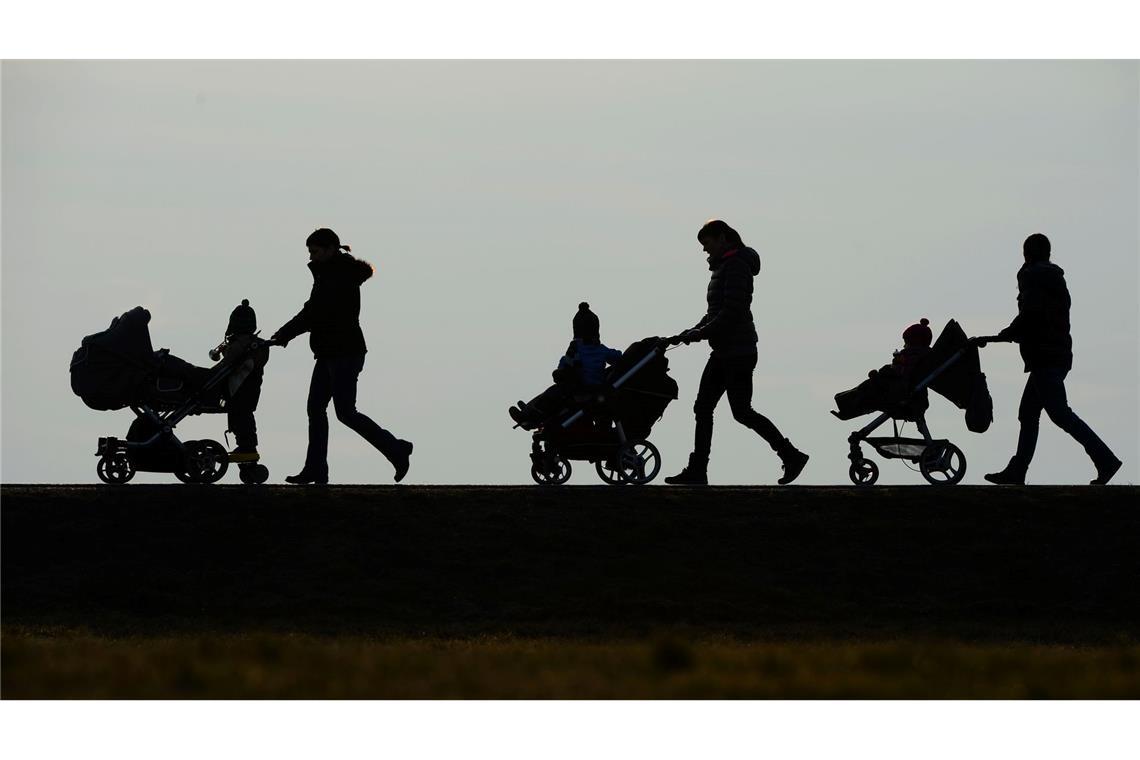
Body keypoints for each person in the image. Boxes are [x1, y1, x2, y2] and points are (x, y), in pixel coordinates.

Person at [665, 219, 809, 485]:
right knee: (704, 407)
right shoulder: (723, 268)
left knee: (741, 411)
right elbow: (714, 312)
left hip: (738, 351)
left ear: (722, 238)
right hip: (723, 350)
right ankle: (698, 469)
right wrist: (692, 331)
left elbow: (732, 311)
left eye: (707, 243)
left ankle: (791, 455)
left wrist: (701, 333)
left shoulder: (736, 266)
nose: (705, 250)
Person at [271, 228, 413, 484]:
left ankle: (396, 448)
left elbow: (314, 313)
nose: (311, 257)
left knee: (345, 412)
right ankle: (316, 469)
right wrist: (284, 334)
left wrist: (284, 334)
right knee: (317, 409)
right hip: (329, 352)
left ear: (330, 249)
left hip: (344, 352)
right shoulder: (330, 274)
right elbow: (312, 311)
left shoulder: (338, 277)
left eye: (315, 252)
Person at [979, 233, 1121, 485]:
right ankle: (1018, 470)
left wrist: (1009, 333)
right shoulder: (1054, 277)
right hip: (1056, 353)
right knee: (1029, 413)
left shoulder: (1033, 275)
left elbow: (1032, 313)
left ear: (1028, 252)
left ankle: (1105, 459)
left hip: (1045, 356)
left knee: (1059, 413)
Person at [508, 302, 623, 428]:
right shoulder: (601, 349)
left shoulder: (575, 348)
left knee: (552, 393)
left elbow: (564, 365)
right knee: (554, 393)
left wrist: (561, 372)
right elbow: (617, 357)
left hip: (580, 390)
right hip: (596, 388)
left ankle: (531, 414)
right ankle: (531, 411)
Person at [218, 299, 269, 467]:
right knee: (241, 416)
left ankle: (247, 447)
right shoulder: (258, 344)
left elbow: (230, 360)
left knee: (241, 416)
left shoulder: (243, 345)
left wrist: (225, 349)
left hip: (241, 388)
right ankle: (245, 446)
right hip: (249, 388)